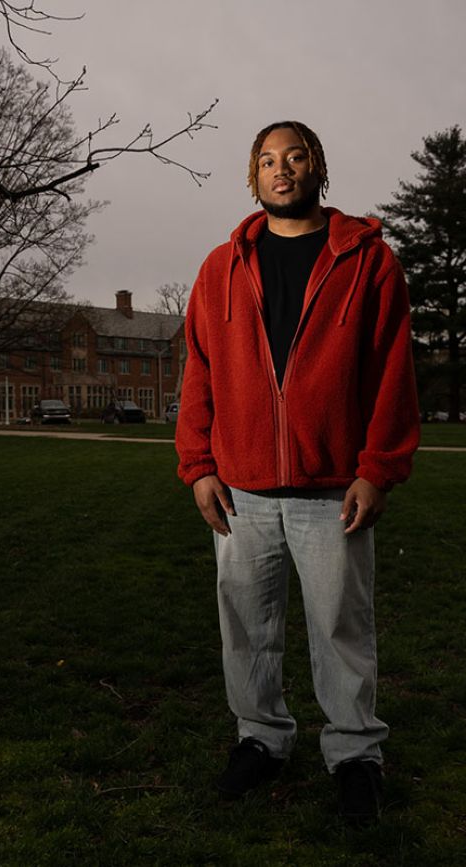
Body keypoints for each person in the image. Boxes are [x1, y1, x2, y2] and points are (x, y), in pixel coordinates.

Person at [175, 120, 420, 826]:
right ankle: (260, 739)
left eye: (296, 156)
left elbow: (391, 378)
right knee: (247, 627)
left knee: (341, 628)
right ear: (253, 177)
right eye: (267, 160)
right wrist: (197, 467)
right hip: (241, 491)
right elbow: (201, 376)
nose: (282, 169)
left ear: (319, 166)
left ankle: (355, 756)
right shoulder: (220, 267)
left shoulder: (369, 262)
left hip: (332, 490)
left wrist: (376, 470)